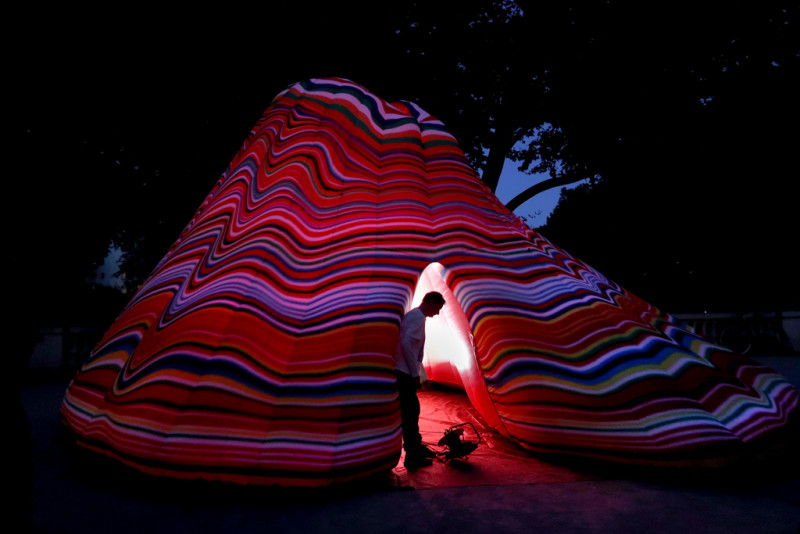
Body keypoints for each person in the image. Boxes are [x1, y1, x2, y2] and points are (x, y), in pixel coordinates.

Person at [394, 291, 446, 468]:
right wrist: (415, 375)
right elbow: (408, 344)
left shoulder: (412, 316)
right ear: (431, 301)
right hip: (404, 373)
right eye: (438, 308)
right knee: (411, 413)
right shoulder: (418, 318)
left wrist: (420, 375)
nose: (437, 313)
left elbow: (415, 352)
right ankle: (413, 456)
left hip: (402, 371)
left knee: (411, 411)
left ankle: (415, 448)